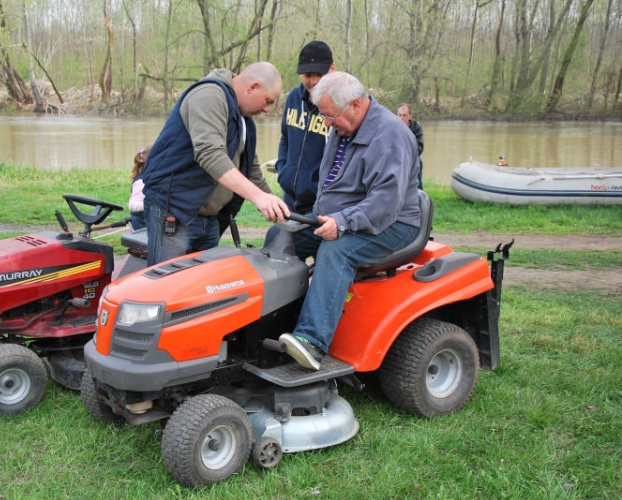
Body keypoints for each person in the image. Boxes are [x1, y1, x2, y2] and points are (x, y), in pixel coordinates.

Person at [279, 72, 421, 371]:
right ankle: (273, 322)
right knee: (281, 238)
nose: (327, 124)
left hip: (393, 223)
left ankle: (312, 342)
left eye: (331, 116)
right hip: (345, 217)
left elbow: (385, 202)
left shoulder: (390, 135)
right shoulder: (345, 127)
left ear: (355, 104)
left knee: (336, 250)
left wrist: (341, 222)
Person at [142, 62, 289, 266]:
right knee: (167, 288)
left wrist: (274, 203)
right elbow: (210, 154)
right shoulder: (209, 96)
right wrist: (258, 197)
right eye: (267, 101)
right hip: (175, 212)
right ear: (252, 87)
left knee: (205, 291)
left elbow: (250, 169)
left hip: (209, 218)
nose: (266, 109)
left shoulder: (243, 119)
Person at [265, 40, 336, 261]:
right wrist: (284, 169)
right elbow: (285, 137)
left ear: (331, 70)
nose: (312, 81)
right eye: (307, 75)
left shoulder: (337, 105)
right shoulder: (294, 99)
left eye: (318, 74)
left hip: (319, 203)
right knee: (279, 256)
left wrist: (319, 186)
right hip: (290, 199)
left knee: (316, 257)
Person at [397, 103, 424, 189]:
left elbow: (419, 147)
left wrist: (407, 156)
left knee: (418, 162)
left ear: (410, 116)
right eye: (399, 115)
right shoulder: (392, 125)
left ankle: (419, 192)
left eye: (404, 115)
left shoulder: (416, 127)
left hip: (411, 157)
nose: (401, 118)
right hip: (396, 156)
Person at [128, 146, 151, 230]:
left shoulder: (151, 177)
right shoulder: (141, 181)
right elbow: (133, 205)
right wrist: (152, 205)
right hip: (141, 226)